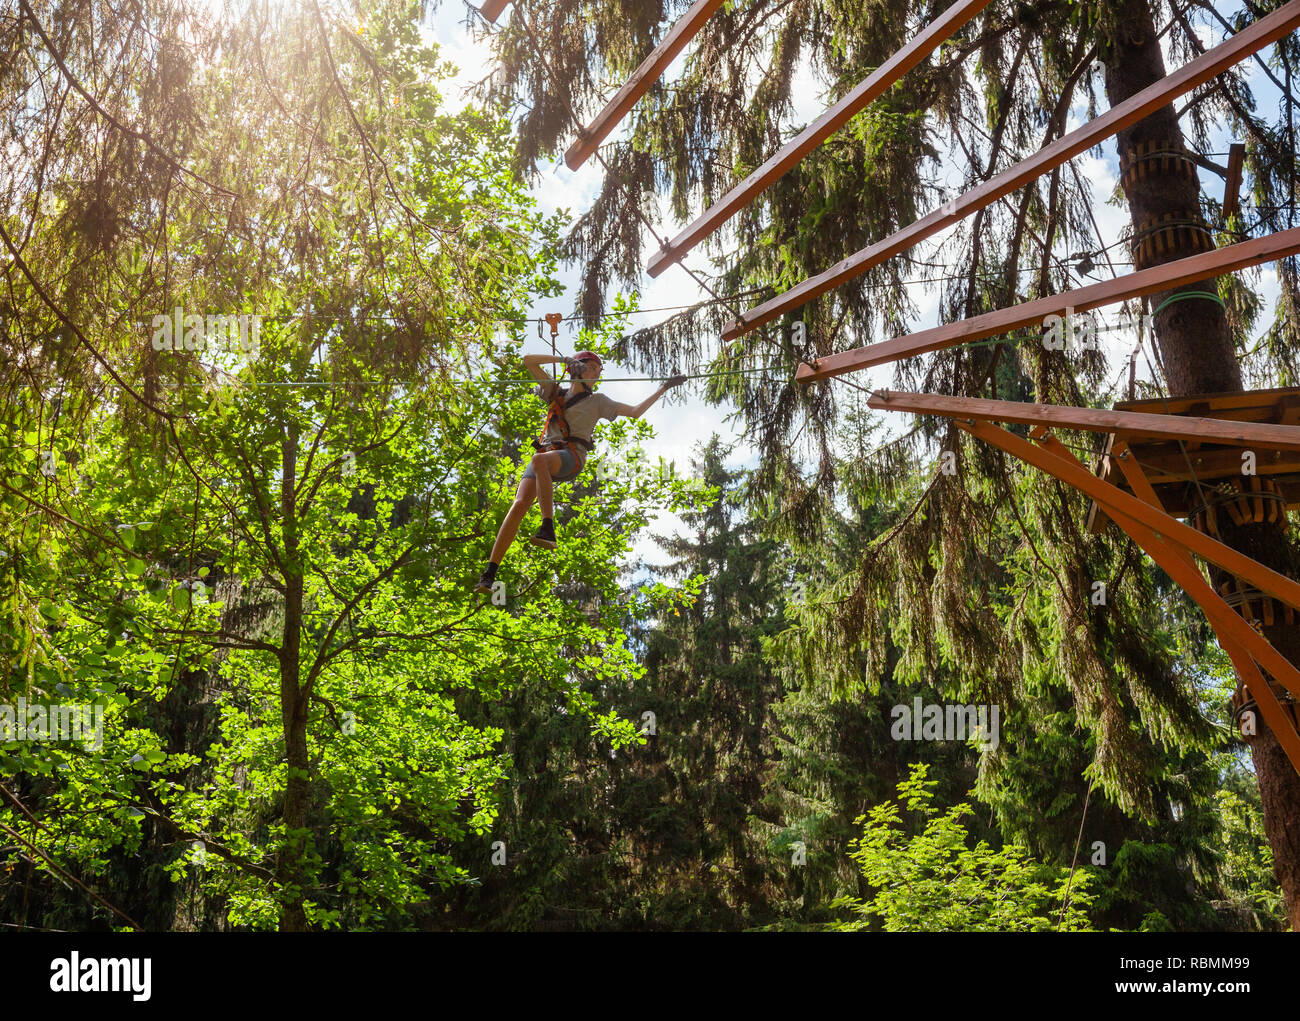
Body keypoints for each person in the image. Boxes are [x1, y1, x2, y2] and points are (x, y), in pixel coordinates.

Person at [475, 351, 685, 593]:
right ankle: (490, 573)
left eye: (599, 370)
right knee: (519, 504)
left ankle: (548, 527)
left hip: (571, 457)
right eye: (593, 367)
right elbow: (528, 361)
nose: (597, 373)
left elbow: (635, 412)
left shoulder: (598, 401)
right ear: (577, 368)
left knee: (539, 460)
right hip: (546, 455)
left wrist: (663, 388)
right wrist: (562, 360)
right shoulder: (555, 393)